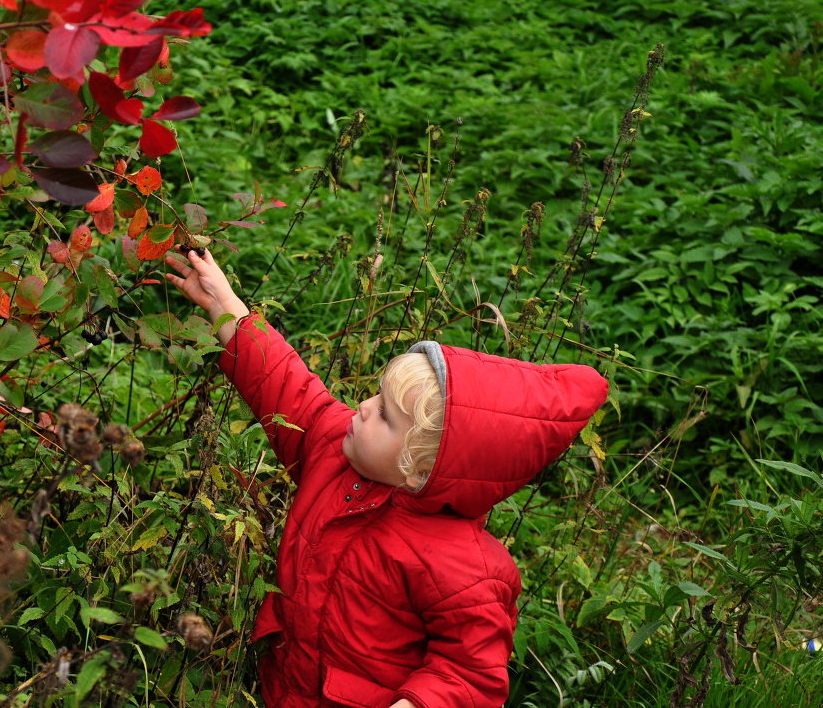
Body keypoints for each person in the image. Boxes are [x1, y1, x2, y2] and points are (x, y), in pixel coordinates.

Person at [164, 248, 609, 708]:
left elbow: (469, 673)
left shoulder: (462, 568)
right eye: (377, 395)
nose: (363, 406)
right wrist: (229, 309)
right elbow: (287, 387)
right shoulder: (336, 452)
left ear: (420, 468)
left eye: (385, 416)